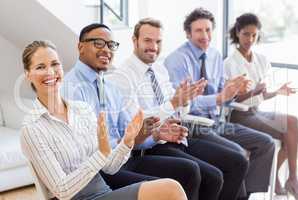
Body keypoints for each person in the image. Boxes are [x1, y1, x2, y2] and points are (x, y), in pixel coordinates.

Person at [20, 40, 187, 200]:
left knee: (171, 187)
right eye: (41, 67)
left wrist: (127, 142)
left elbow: (109, 168)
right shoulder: (32, 129)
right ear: (28, 75)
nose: (50, 72)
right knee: (170, 189)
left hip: (104, 192)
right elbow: (62, 191)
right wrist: (101, 155)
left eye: (55, 64)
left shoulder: (82, 109)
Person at [61, 23, 202, 200]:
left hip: (125, 159)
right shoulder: (71, 87)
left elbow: (129, 133)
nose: (106, 50)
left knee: (189, 171)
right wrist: (128, 139)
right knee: (168, 188)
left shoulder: (110, 87)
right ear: (80, 47)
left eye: (111, 45)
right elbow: (87, 150)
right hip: (99, 171)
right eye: (98, 43)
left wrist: (154, 135)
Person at [112, 18, 249, 200]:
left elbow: (178, 111)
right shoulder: (122, 76)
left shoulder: (159, 70)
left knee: (237, 161)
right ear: (134, 40)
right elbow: (138, 121)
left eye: (158, 41)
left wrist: (185, 100)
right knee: (212, 177)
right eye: (147, 40)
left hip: (177, 136)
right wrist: (174, 103)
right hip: (152, 145)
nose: (153, 46)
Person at [164, 7, 275, 199]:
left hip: (217, 122)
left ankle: (246, 194)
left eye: (208, 30)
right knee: (238, 155)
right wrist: (219, 98)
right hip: (192, 125)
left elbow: (223, 93)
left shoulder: (215, 55)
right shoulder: (177, 60)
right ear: (188, 33)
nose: (205, 35)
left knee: (266, 142)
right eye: (198, 30)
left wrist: (234, 90)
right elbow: (181, 103)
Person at [224, 13, 298, 198]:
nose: (250, 39)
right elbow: (229, 101)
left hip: (256, 112)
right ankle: (285, 180)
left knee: (293, 125)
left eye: (254, 35)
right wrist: (254, 91)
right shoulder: (229, 63)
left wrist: (277, 91)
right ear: (237, 33)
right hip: (239, 115)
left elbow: (262, 94)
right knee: (289, 129)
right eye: (245, 34)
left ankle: (289, 177)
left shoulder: (261, 60)